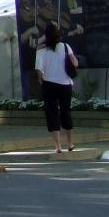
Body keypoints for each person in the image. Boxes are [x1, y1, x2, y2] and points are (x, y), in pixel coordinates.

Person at [35, 22, 77, 153]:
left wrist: (41, 79)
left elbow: (39, 69)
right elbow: (75, 62)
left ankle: (58, 146)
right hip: (65, 84)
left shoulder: (41, 49)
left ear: (45, 35)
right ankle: (70, 143)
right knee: (66, 112)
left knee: (52, 113)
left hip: (49, 84)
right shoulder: (65, 46)